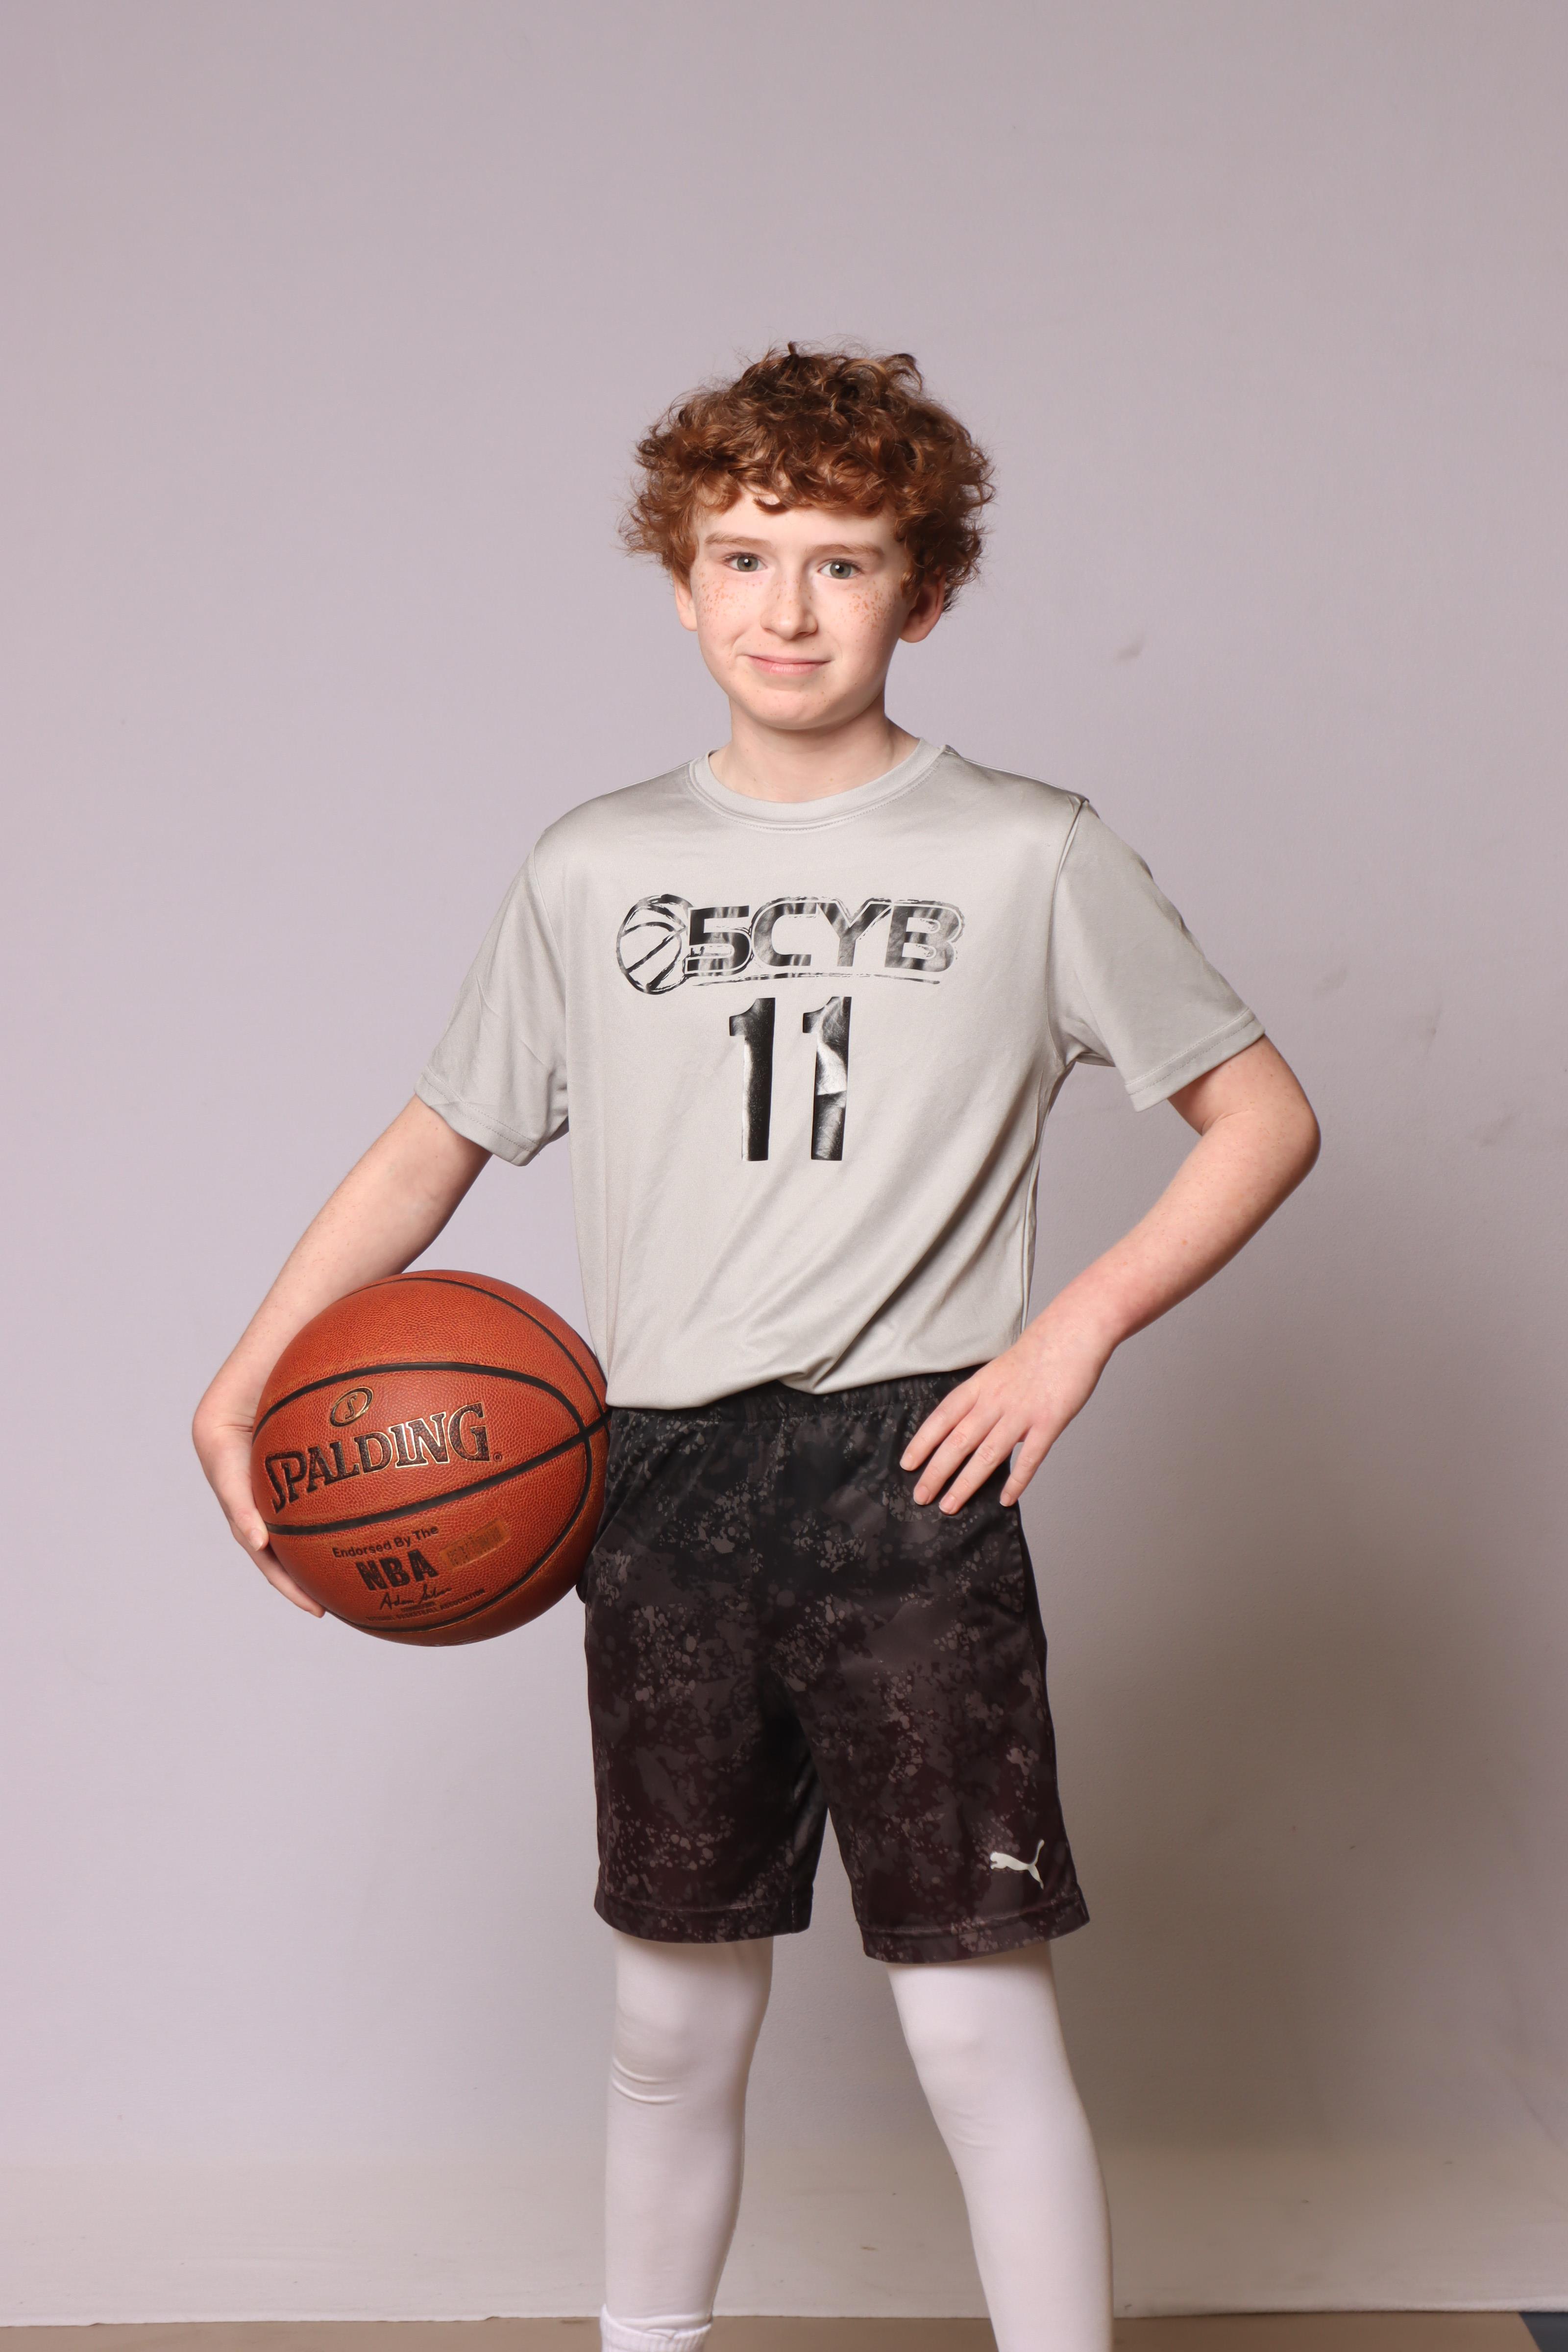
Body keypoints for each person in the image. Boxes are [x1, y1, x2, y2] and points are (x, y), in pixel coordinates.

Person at [194, 345, 1320, 2352]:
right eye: (741, 557)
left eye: (842, 562)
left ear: (924, 593)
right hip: (655, 1477)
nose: (786, 609)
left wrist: (1069, 1336)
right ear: (678, 581)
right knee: (667, 2015)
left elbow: (1263, 1118)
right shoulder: (592, 865)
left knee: (971, 2023)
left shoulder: (1028, 850)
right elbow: (437, 1140)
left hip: (913, 1476)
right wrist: (250, 1367)